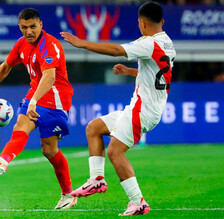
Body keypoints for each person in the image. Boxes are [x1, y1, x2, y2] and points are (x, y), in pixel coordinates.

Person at [61, 1, 176, 216]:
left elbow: (116, 50)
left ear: (142, 23)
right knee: (94, 128)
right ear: (162, 21)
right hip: (145, 108)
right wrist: (130, 72)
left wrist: (82, 44)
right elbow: (159, 76)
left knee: (115, 151)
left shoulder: (149, 43)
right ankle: (96, 180)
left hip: (142, 110)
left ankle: (138, 202)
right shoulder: (166, 43)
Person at [0, 8, 77, 209]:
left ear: (41, 25)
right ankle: (3, 161)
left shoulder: (49, 45)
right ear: (19, 27)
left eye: (32, 27)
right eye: (24, 27)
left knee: (49, 150)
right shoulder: (21, 44)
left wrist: (34, 101)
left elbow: (49, 77)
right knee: (20, 124)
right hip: (36, 94)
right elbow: (5, 67)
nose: (28, 31)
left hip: (56, 98)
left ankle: (68, 194)